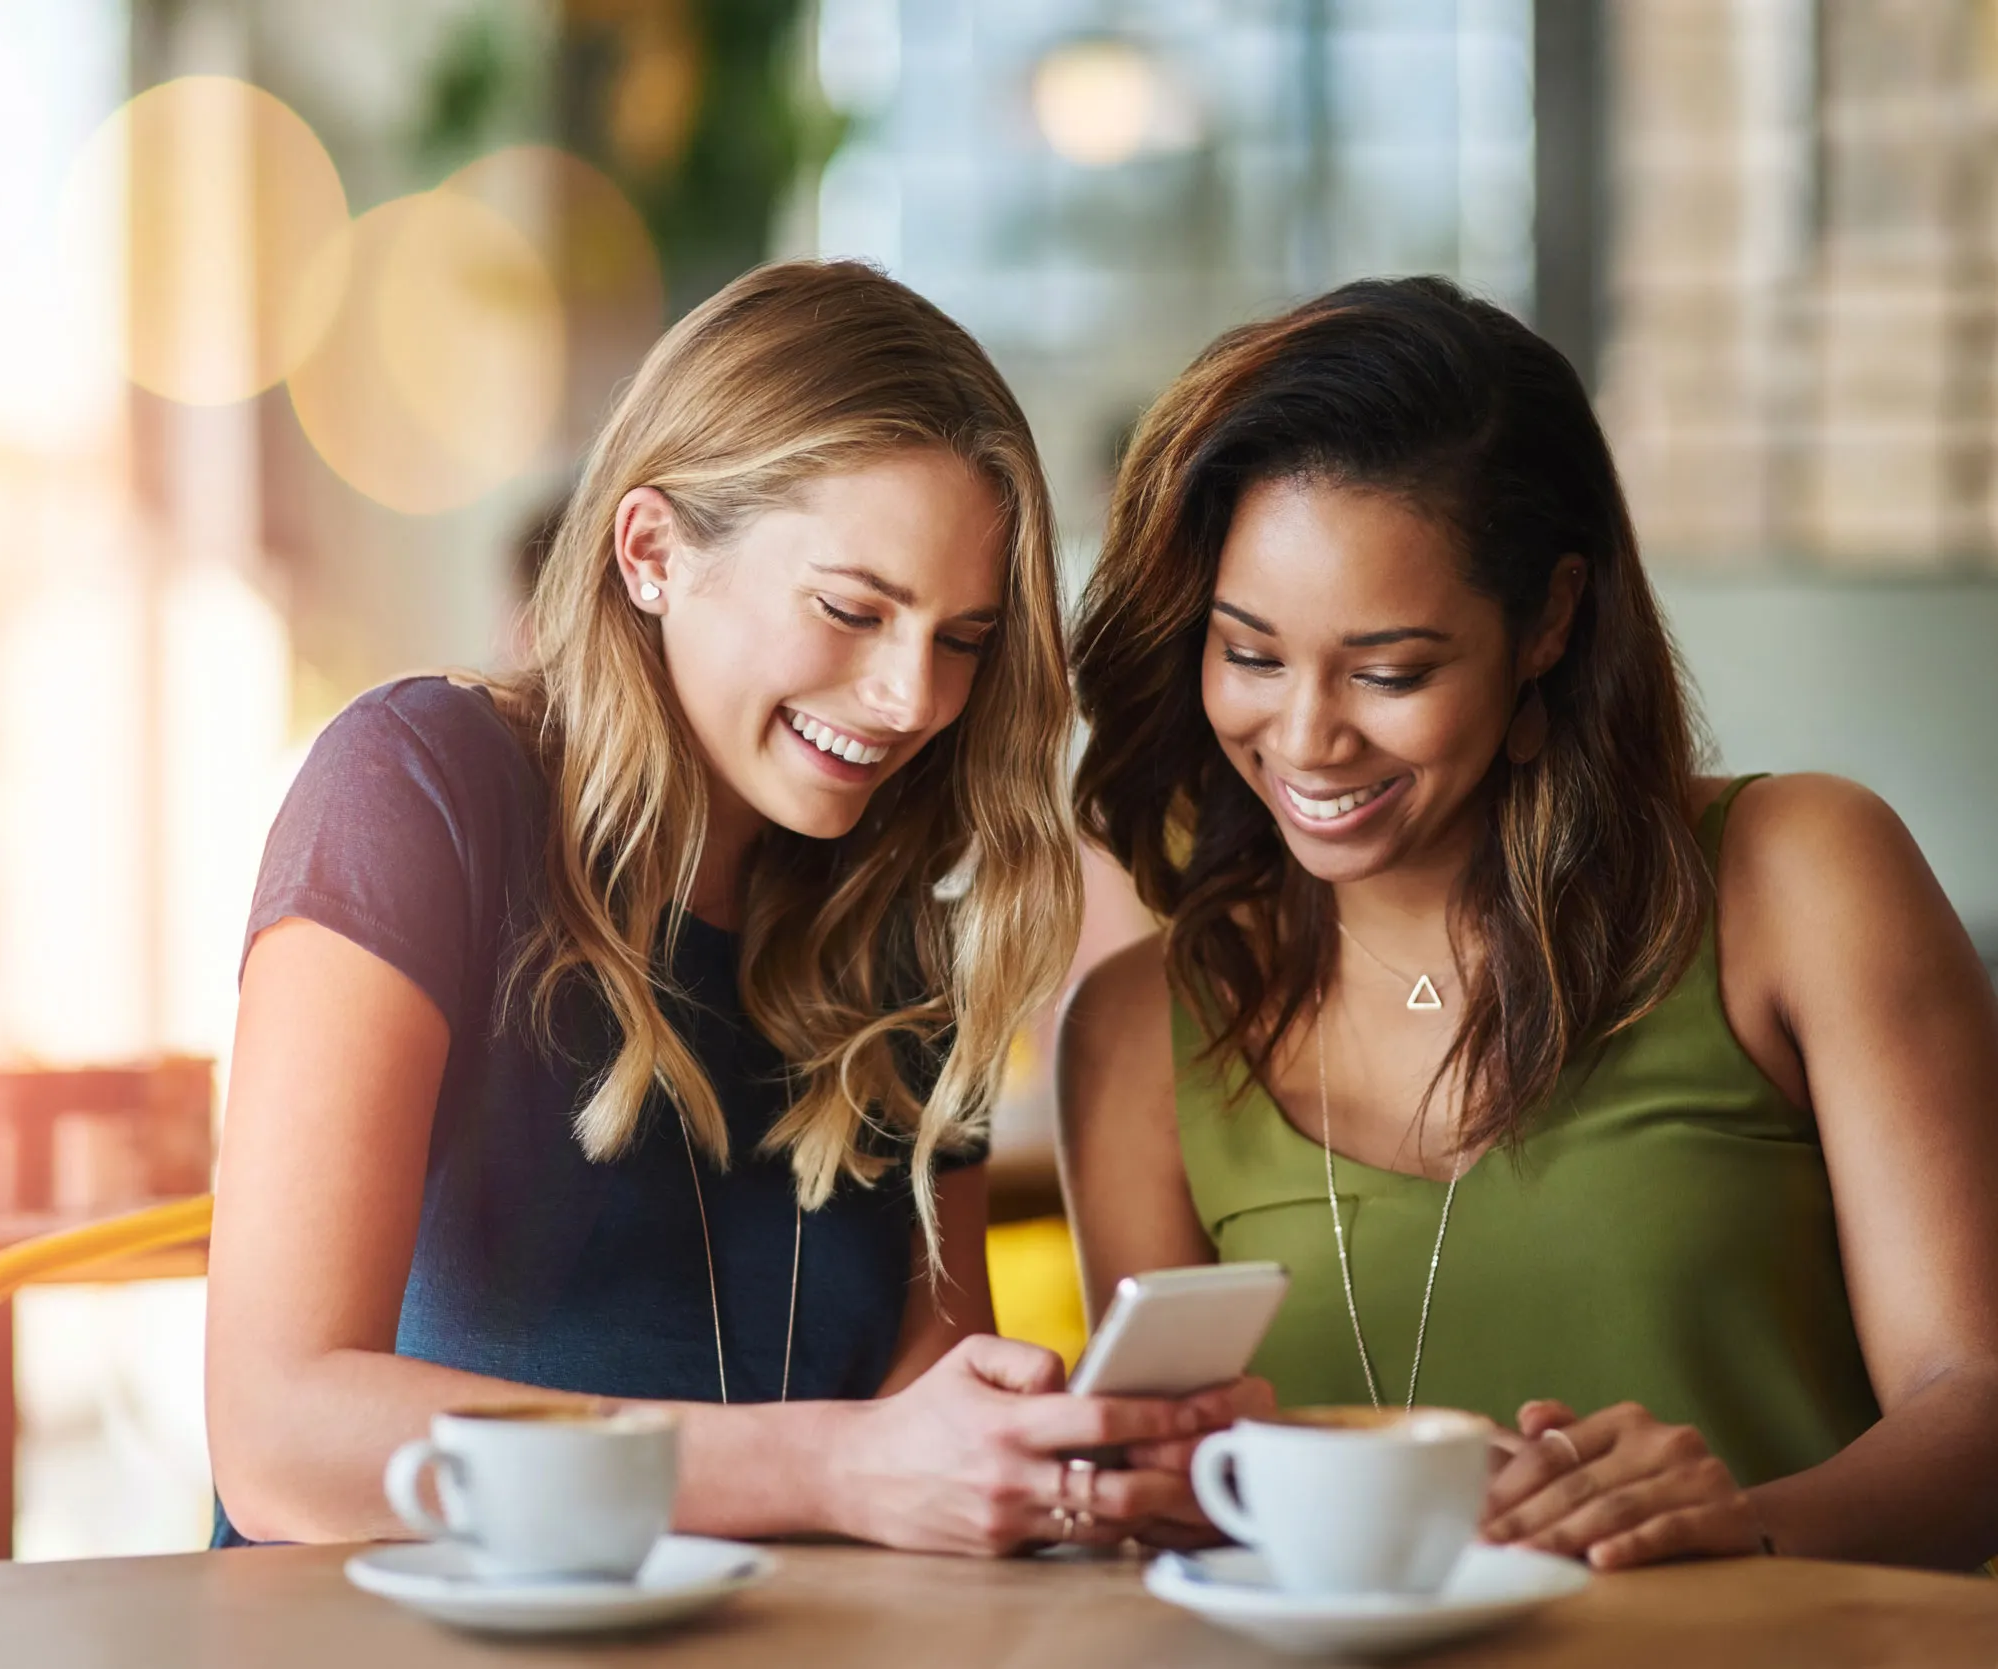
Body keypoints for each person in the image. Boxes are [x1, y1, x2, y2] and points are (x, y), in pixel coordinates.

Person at [206, 260, 1247, 1556]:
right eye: (851, 610)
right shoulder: (415, 786)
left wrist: (1053, 1460)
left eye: (963, 639)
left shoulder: (901, 912)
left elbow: (923, 1398)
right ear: (651, 552)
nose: (912, 698)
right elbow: (281, 1438)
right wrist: (829, 1471)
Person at [1058, 275, 1998, 1572]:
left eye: (1391, 671)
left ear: (1549, 621)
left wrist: (1740, 1528)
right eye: (1252, 655)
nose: (1309, 737)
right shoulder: (1133, 1031)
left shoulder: (1801, 876)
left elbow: (1977, 1406)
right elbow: (1167, 1519)